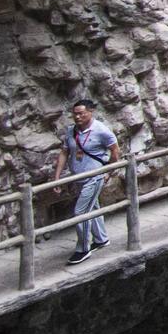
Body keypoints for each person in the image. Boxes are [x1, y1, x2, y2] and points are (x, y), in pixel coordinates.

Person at [53, 98, 120, 266]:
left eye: (81, 114)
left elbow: (115, 152)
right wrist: (57, 177)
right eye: (75, 114)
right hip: (79, 178)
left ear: (90, 112)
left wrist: (108, 173)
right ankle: (101, 239)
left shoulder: (101, 131)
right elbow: (64, 152)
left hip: (95, 177)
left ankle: (83, 249)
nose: (77, 117)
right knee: (92, 207)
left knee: (81, 212)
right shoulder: (71, 131)